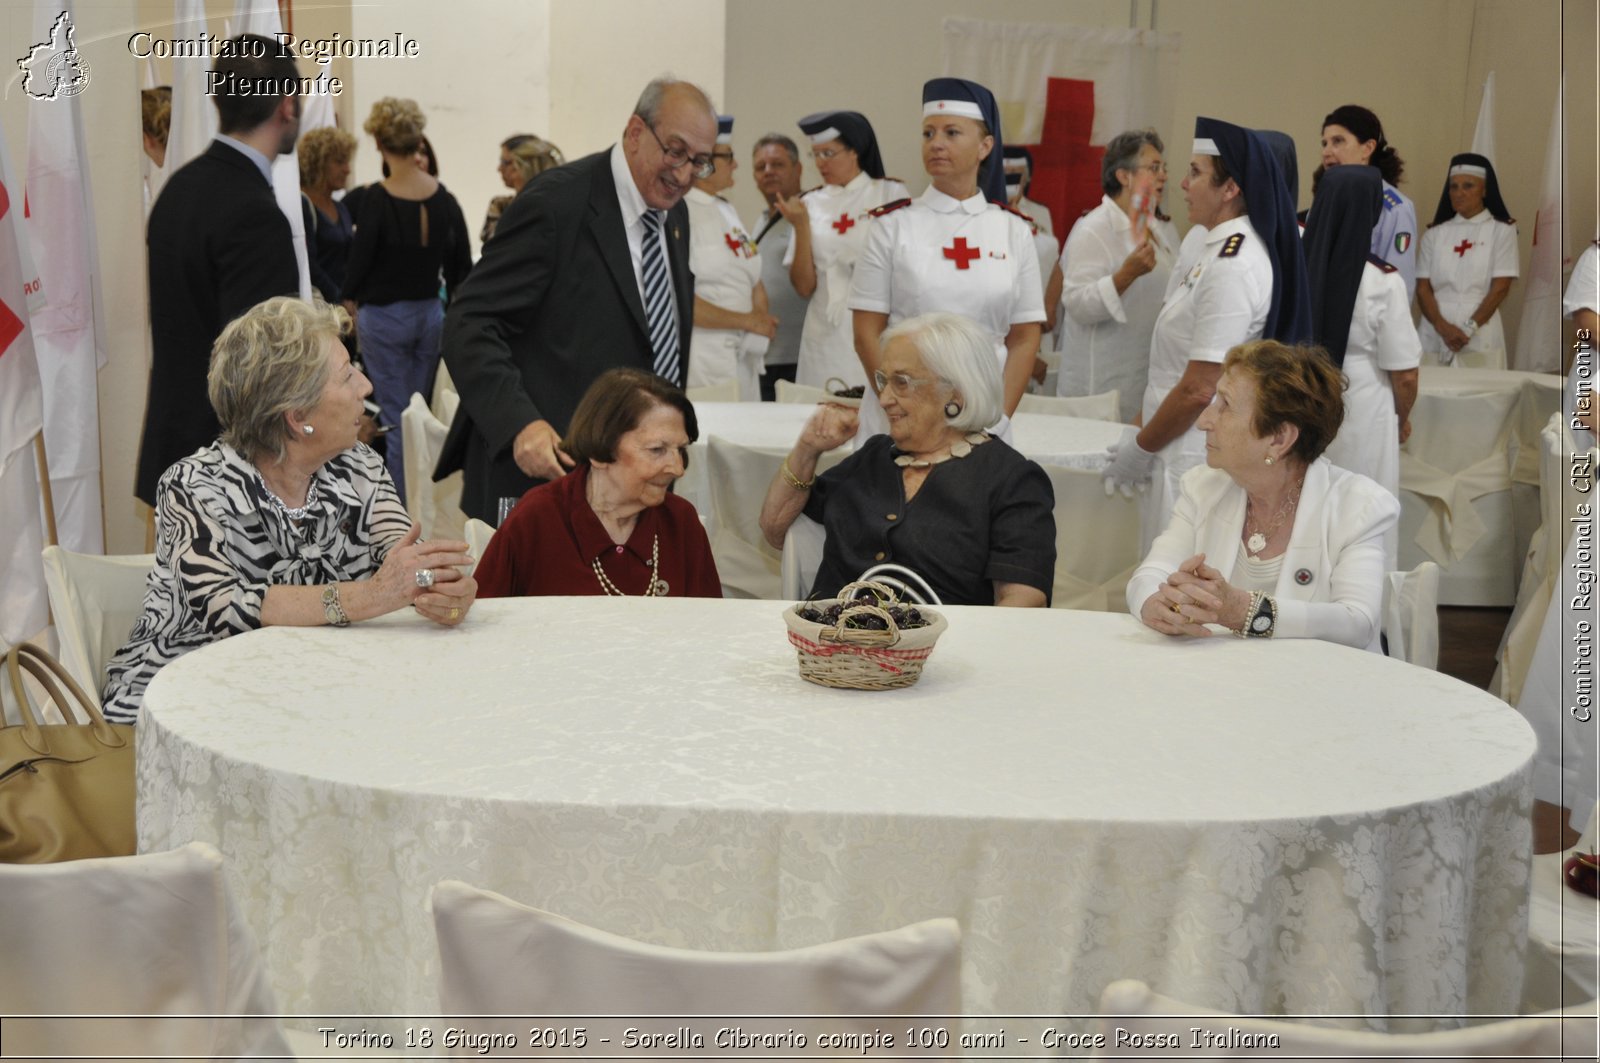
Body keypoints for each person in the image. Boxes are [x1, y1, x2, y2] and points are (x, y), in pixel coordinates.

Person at [102, 298, 477, 723]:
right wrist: (372, 595)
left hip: (311, 695)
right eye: (347, 375)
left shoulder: (361, 466)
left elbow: (401, 557)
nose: (366, 387)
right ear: (298, 417)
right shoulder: (193, 487)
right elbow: (227, 608)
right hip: (189, 705)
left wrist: (439, 588)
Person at [438, 76, 713, 524]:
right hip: (545, 477)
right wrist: (519, 424)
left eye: (700, 162)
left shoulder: (673, 213)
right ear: (636, 132)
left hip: (628, 484)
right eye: (676, 151)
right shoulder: (556, 203)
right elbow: (469, 321)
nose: (684, 174)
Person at [1102, 116, 1311, 550]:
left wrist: (1141, 447)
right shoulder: (1211, 248)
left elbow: (1201, 386)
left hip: (1198, 450)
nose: (1180, 183)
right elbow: (1171, 367)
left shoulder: (1233, 264)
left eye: (1195, 173)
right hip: (1174, 437)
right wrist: (1140, 431)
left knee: (1181, 579)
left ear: (1230, 188)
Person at [759, 312, 1055, 607]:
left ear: (956, 394)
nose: (884, 397)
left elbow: (1023, 600)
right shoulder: (874, 457)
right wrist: (807, 450)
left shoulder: (1010, 479)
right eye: (882, 380)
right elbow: (774, 528)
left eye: (901, 382)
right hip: (833, 642)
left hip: (942, 647)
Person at [1128, 340, 1398, 653]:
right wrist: (1155, 604)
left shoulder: (1359, 506)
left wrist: (1244, 611)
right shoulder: (1203, 487)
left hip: (1318, 689)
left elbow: (1357, 622)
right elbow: (1150, 574)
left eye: (1225, 405)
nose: (1204, 421)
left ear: (1279, 438)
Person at [136, 34, 303, 512]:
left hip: (172, 449)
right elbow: (264, 371)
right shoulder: (253, 214)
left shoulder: (178, 191)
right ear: (286, 106)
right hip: (227, 478)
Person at [849, 78, 1045, 446]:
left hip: (984, 425)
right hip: (898, 420)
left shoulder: (1012, 230)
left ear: (986, 146)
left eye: (952, 132)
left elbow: (1024, 338)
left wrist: (996, 418)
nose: (936, 143)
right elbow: (866, 333)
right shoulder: (891, 226)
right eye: (928, 133)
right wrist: (907, 410)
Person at [474, 369, 720, 598]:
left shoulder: (680, 522)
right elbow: (482, 624)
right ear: (600, 453)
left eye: (681, 450)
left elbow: (710, 631)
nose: (677, 469)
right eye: (657, 450)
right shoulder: (537, 519)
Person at [343, 97, 472, 503]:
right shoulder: (444, 198)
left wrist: (347, 299)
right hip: (430, 316)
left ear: (378, 141)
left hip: (384, 320)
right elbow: (460, 269)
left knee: (398, 419)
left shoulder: (378, 200)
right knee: (420, 414)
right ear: (417, 141)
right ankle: (423, 504)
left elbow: (358, 266)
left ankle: (403, 513)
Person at [1303, 166, 1420, 520]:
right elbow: (1405, 375)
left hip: (1300, 399)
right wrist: (1403, 417)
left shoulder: (1296, 264)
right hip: (1362, 405)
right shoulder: (1382, 281)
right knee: (1363, 509)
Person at [1048, 129, 1179, 422]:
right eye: (1153, 168)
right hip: (1101, 384)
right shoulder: (1094, 229)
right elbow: (1076, 303)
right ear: (1124, 176)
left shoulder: (1162, 229)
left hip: (1142, 375)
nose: (1163, 177)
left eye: (1164, 168)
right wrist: (1124, 277)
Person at [773, 110, 908, 392]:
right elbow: (803, 286)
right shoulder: (808, 202)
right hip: (823, 331)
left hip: (875, 324)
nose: (821, 163)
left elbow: (906, 267)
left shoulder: (889, 194)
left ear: (854, 151)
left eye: (828, 153)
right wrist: (801, 226)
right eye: (815, 155)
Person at [684, 115, 775, 399]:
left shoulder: (727, 210)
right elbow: (681, 299)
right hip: (704, 358)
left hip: (743, 355)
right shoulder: (679, 213)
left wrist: (759, 320)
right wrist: (748, 321)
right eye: (729, 156)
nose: (736, 164)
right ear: (704, 161)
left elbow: (753, 277)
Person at [1415, 153, 1520, 369]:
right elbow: (1423, 288)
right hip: (1435, 328)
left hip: (1481, 329)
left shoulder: (1502, 231)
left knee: (1481, 397)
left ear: (1484, 190)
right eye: (1453, 187)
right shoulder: (1434, 234)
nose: (1459, 193)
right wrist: (1443, 327)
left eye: (1468, 186)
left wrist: (1469, 329)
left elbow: (1501, 287)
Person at [1312, 105, 1417, 299]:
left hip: (1364, 321)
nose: (1326, 152)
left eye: (1338, 141)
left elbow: (1400, 283)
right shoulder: (1323, 200)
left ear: (1367, 148)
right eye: (1324, 143)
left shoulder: (1395, 208)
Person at [749, 133, 812, 399]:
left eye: (777, 164)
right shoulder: (761, 221)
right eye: (760, 166)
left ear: (797, 169)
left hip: (796, 354)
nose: (768, 172)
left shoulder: (809, 215)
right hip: (765, 353)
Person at [298, 126, 359, 306]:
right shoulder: (302, 205)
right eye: (340, 162)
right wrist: (340, 300)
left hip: (343, 309)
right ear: (318, 162)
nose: (347, 169)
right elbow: (309, 266)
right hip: (317, 310)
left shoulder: (342, 208)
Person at [483, 133, 565, 244]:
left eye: (505, 162)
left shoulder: (554, 209)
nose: (499, 168)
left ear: (526, 166)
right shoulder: (500, 205)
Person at [1002, 145, 1054, 235]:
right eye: (1004, 172)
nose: (1009, 177)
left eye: (1015, 172)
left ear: (1027, 177)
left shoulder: (1040, 212)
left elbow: (1049, 247)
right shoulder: (987, 210)